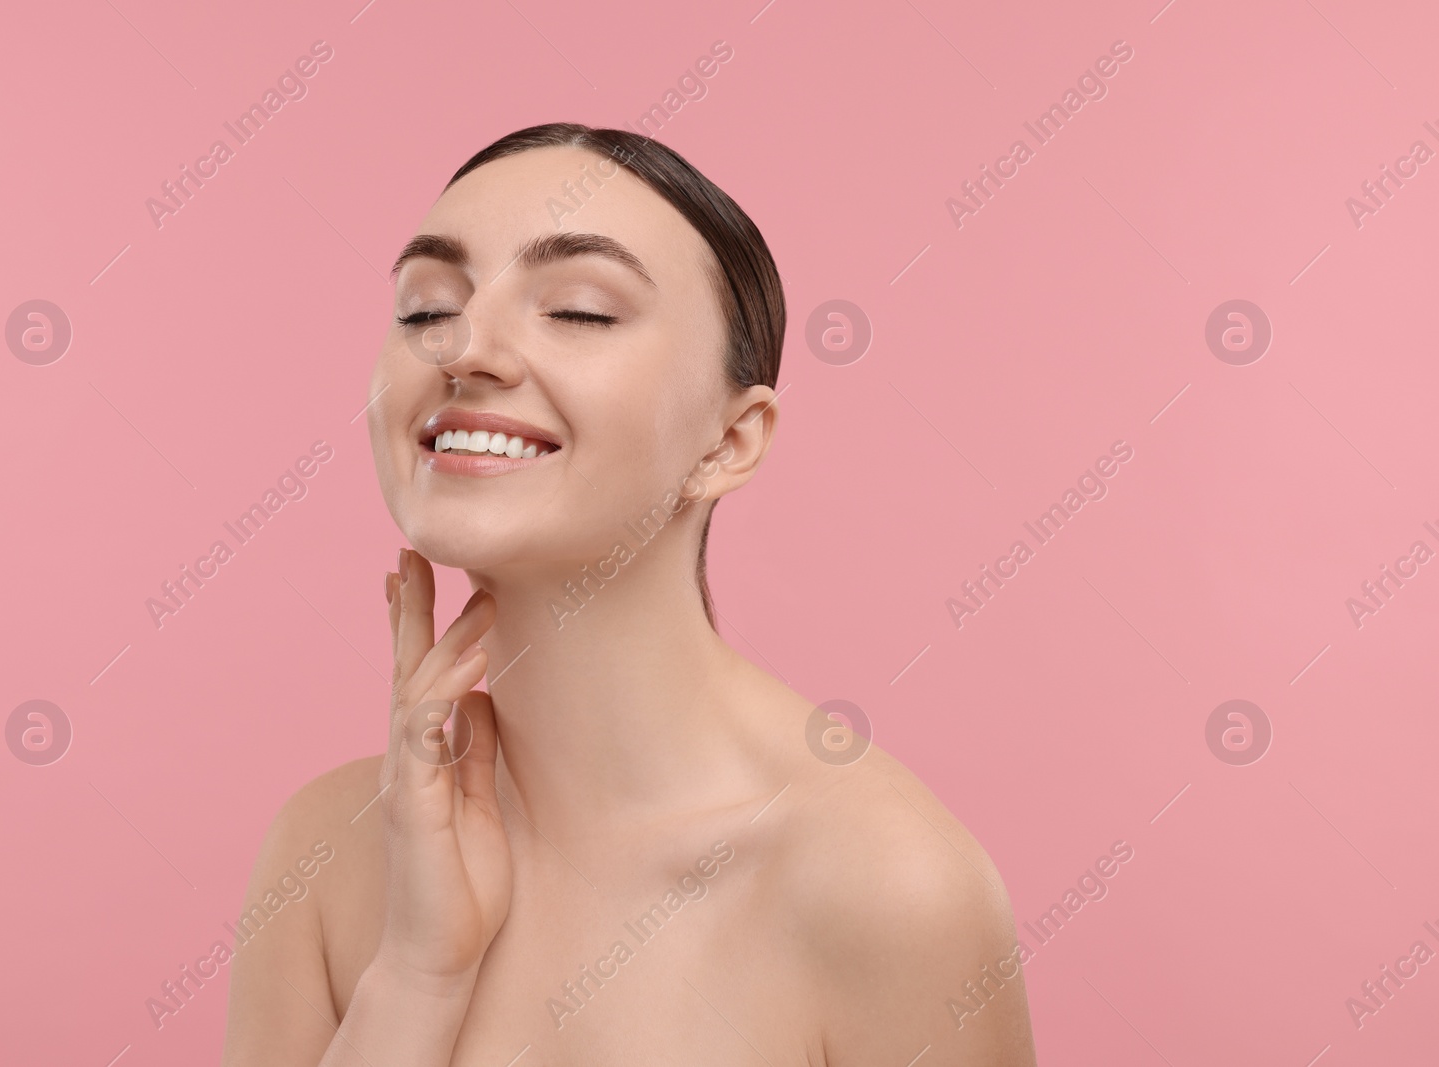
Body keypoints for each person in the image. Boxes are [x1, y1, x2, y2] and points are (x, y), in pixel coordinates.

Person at [221, 122, 1037, 1066]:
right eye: (425, 309)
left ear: (730, 441)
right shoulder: (325, 856)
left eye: (576, 310)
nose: (465, 346)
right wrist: (416, 977)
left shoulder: (889, 886)